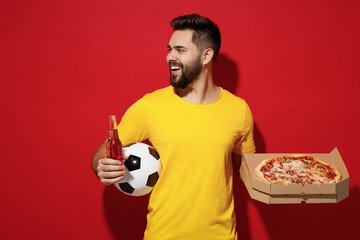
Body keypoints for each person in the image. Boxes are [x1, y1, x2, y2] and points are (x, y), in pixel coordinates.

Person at [91, 13, 256, 240]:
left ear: (206, 55)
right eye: (169, 49)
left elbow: (248, 170)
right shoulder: (151, 105)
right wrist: (102, 165)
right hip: (164, 234)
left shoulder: (239, 110)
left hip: (220, 235)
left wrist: (295, 178)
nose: (170, 57)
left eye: (180, 50)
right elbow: (102, 153)